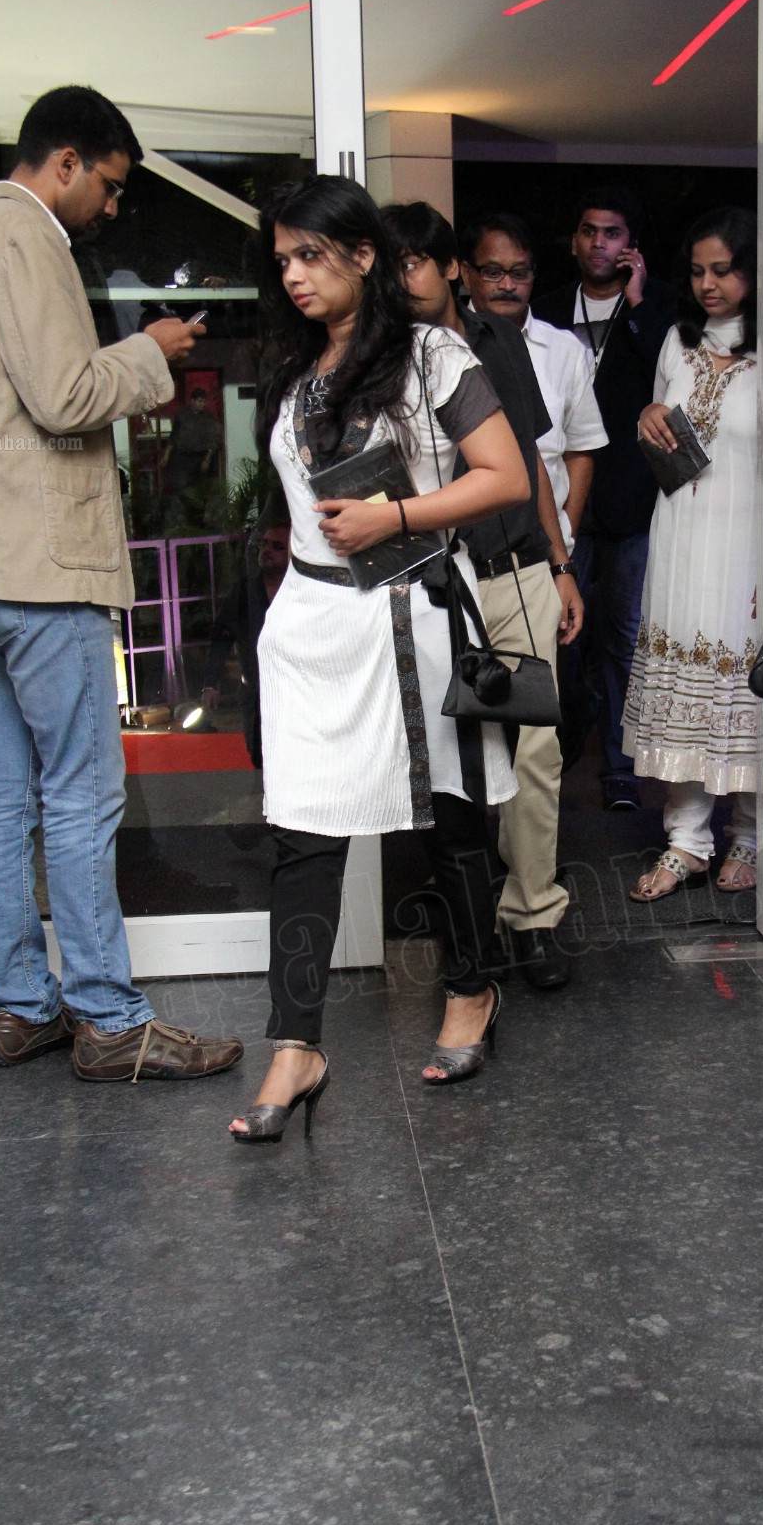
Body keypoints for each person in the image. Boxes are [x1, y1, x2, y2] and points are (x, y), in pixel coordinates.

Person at [0, 85, 242, 1081]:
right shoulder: (23, 244)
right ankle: (107, 1017)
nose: (111, 208)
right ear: (65, 161)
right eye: (107, 186)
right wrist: (151, 354)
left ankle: (21, 1007)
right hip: (42, 567)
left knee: (7, 784)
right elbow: (65, 398)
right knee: (81, 792)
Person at [228, 175, 529, 1140]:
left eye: (310, 255)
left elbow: (506, 476)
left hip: (413, 615)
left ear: (364, 257)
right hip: (313, 629)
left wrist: (393, 515)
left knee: (448, 825)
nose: (294, 275)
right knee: (303, 834)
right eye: (282, 261)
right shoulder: (294, 369)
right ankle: (295, 1045)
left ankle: (473, 987)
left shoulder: (435, 354)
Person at [381, 201, 581, 992]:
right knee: (450, 761)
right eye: (389, 267)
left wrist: (562, 566)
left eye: (415, 263)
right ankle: (465, 917)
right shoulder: (384, 357)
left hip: (519, 571)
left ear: (448, 268)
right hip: (437, 584)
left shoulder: (496, 339)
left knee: (538, 750)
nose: (404, 280)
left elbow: (528, 462)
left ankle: (534, 914)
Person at [624, 208, 763, 903]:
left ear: (756, 271)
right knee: (684, 683)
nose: (709, 285)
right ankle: (688, 841)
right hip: (682, 536)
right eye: (699, 271)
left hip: (755, 545)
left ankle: (754, 836)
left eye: (725, 270)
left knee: (752, 684)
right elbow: (665, 440)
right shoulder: (676, 343)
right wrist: (648, 422)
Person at [534, 184, 677, 809]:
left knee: (624, 637)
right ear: (573, 241)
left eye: (613, 232)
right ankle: (553, 763)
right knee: (558, 636)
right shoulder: (541, 314)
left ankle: (620, 769)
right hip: (555, 500)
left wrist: (640, 304)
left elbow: (674, 383)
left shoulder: (659, 313)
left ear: (632, 246)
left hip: (628, 501)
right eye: (590, 231)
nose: (600, 242)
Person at [458, 211, 606, 555]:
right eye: (493, 272)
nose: (508, 285)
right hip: (461, 551)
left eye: (519, 273)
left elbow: (581, 450)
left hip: (543, 553)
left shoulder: (565, 349)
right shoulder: (439, 343)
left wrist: (564, 533)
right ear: (466, 273)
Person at [200, 503, 291, 767]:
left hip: (296, 690)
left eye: (277, 546)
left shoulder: (304, 590)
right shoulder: (245, 591)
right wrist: (210, 684)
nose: (267, 551)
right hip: (256, 690)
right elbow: (222, 636)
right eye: (264, 544)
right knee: (259, 755)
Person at [162, 385, 222, 526]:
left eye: (203, 401)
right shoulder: (183, 416)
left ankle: (198, 520)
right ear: (192, 401)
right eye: (199, 401)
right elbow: (173, 437)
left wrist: (207, 459)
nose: (201, 404)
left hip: (200, 458)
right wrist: (166, 455)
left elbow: (214, 441)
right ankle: (185, 518)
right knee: (182, 488)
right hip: (183, 458)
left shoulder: (208, 418)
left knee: (200, 490)